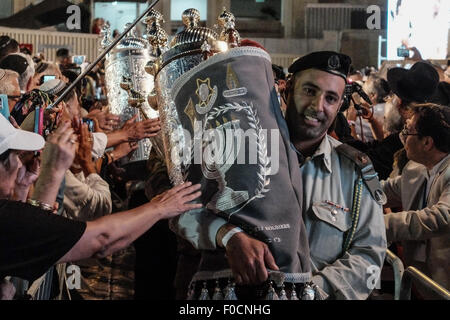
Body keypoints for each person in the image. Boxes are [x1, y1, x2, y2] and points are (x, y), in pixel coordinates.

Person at [172, 51, 387, 299]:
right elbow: (183, 212)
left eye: (330, 98)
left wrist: (310, 293)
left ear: (340, 105)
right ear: (286, 89)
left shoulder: (354, 173)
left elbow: (369, 251)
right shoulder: (240, 149)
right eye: (309, 91)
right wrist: (227, 235)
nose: (318, 106)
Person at [0, 114, 202, 287]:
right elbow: (101, 239)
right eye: (14, 156)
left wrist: (22, 188)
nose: (19, 164)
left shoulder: (11, 213)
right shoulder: (6, 218)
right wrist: (159, 207)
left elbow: (36, 240)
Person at [382, 104, 450, 290]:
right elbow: (385, 190)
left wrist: (379, 225)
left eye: (408, 131)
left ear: (427, 142)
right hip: (420, 279)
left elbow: (441, 217)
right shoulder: (416, 168)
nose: (402, 136)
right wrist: (352, 189)